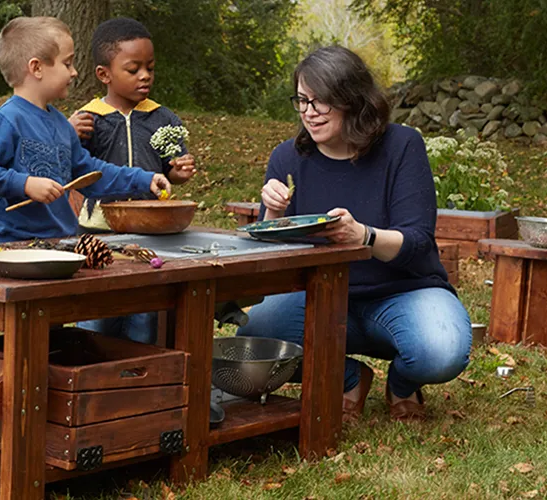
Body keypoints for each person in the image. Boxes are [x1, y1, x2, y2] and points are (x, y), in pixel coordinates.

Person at [237, 46, 471, 422]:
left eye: (321, 101)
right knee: (254, 340)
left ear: (353, 100)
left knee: (441, 350)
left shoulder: (402, 146)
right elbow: (272, 262)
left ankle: (403, 383)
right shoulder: (287, 157)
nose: (309, 112)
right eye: (302, 100)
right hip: (321, 297)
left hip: (403, 291)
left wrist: (364, 235)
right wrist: (274, 212)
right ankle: (348, 377)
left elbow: (417, 241)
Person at [66, 17, 197, 344]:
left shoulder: (163, 118)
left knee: (146, 319)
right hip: (97, 235)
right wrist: (67, 135)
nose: (145, 76)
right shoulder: (87, 119)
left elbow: (171, 171)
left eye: (150, 68)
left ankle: (141, 380)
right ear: (104, 74)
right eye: (133, 69)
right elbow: (72, 170)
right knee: (96, 321)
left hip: (151, 235)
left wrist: (176, 173)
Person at [0, 16, 171, 243]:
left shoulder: (62, 125)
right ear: (36, 68)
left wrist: (144, 179)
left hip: (64, 243)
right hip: (17, 246)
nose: (74, 72)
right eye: (67, 63)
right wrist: (24, 184)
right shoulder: (4, 120)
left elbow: (91, 173)